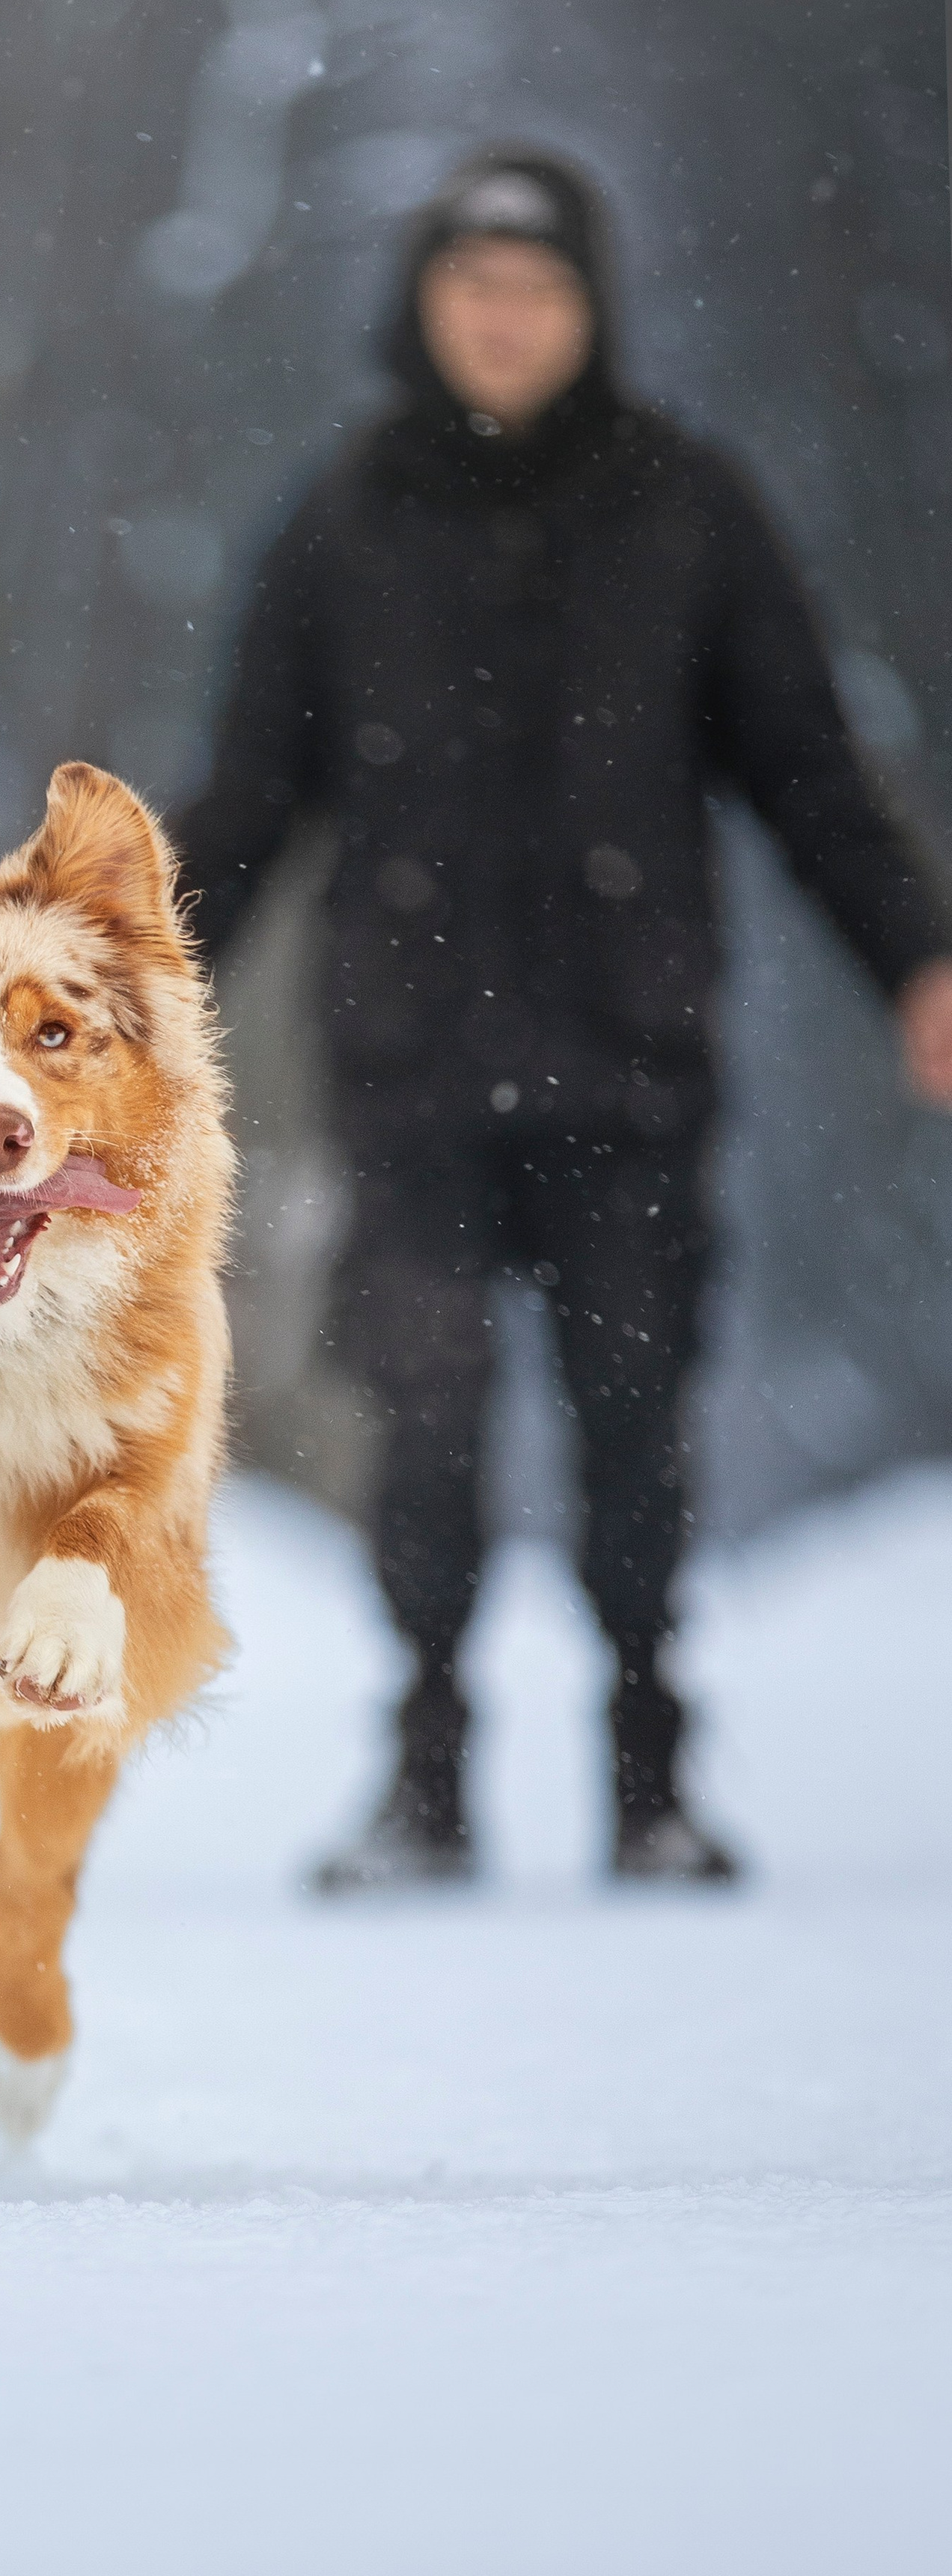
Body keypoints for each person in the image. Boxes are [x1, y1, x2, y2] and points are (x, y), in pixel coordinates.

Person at [172, 150, 952, 1889]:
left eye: (535, 291)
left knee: (631, 1424)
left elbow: (805, 774)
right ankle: (425, 1779)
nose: (502, 320)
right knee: (423, 1418)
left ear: (587, 312)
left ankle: (649, 1781)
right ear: (421, 307)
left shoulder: (687, 510)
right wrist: (106, 996)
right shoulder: (341, 520)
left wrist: (917, 957)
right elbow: (241, 803)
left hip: (629, 1059)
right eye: (471, 288)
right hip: (408, 1062)